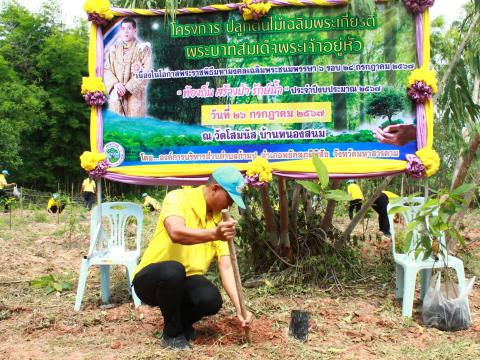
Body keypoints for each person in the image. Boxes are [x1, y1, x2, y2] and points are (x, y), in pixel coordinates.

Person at [132, 166, 253, 349]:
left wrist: (240, 308)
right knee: (173, 270)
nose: (230, 206)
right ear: (215, 189)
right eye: (229, 199)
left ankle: (178, 323)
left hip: (184, 283)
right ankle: (172, 335)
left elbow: (226, 267)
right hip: (152, 281)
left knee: (211, 299)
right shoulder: (178, 198)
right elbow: (176, 232)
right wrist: (214, 234)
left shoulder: (219, 221)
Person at [104, 17, 152, 118]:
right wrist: (116, 85)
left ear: (135, 30)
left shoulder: (143, 49)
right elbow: (107, 69)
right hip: (117, 96)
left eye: (129, 28)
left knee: (134, 129)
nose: (125, 31)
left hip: (134, 98)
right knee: (117, 129)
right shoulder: (113, 49)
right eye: (123, 28)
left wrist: (127, 88)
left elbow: (146, 72)